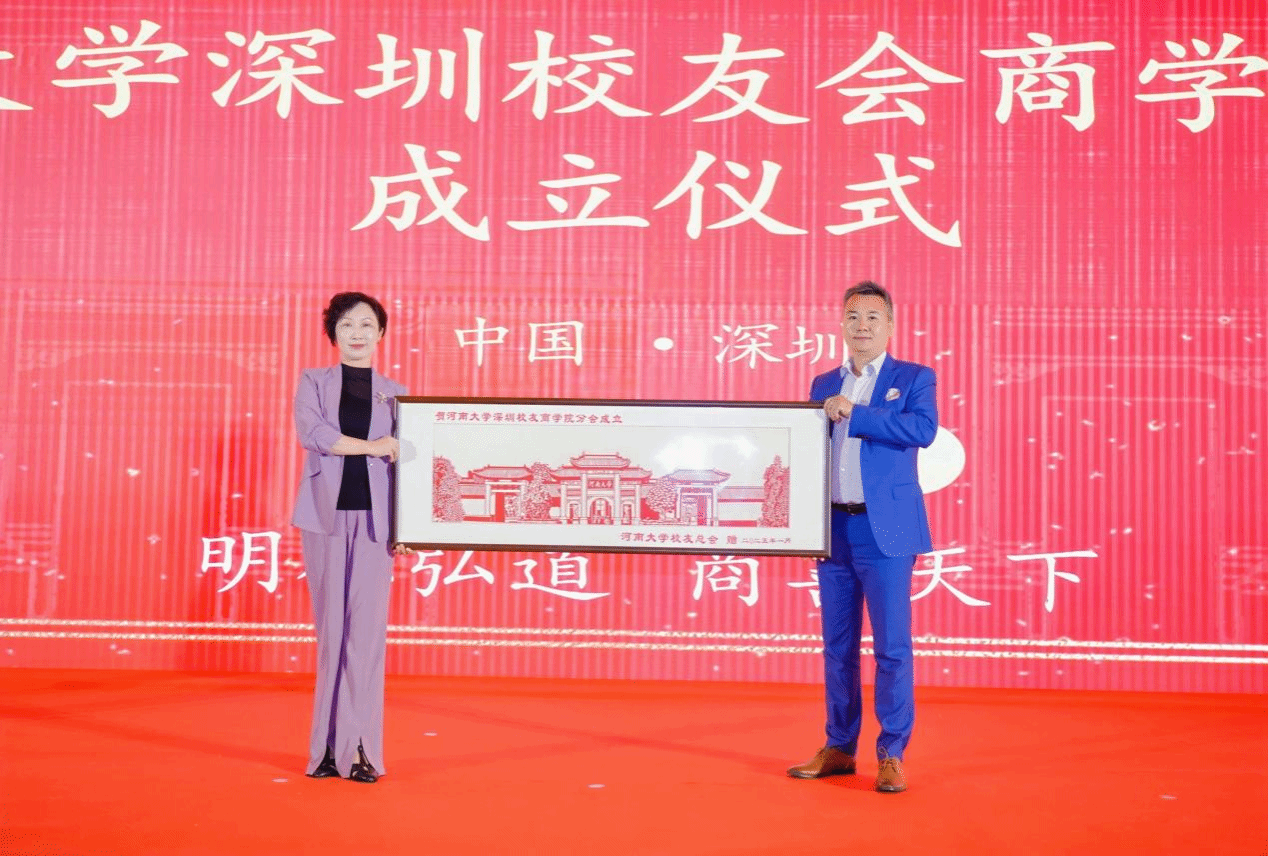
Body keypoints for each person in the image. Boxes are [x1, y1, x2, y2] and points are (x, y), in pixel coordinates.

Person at [787, 281, 938, 794]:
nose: (862, 326)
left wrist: (857, 413)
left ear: (890, 325)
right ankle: (839, 747)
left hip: (886, 530)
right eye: (853, 316)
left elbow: (922, 431)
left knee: (892, 647)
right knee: (838, 646)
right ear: (842, 325)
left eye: (873, 317)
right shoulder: (823, 381)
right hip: (834, 529)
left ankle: (892, 752)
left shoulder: (913, 377)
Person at [291, 292, 407, 784]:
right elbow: (315, 435)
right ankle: (324, 750)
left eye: (366, 325)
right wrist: (375, 446)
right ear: (333, 334)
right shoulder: (313, 382)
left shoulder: (397, 394)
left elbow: (405, 467)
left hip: (376, 526)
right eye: (346, 325)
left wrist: (406, 528)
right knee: (332, 636)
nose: (356, 333)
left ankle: (360, 750)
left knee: (366, 639)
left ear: (381, 334)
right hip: (326, 521)